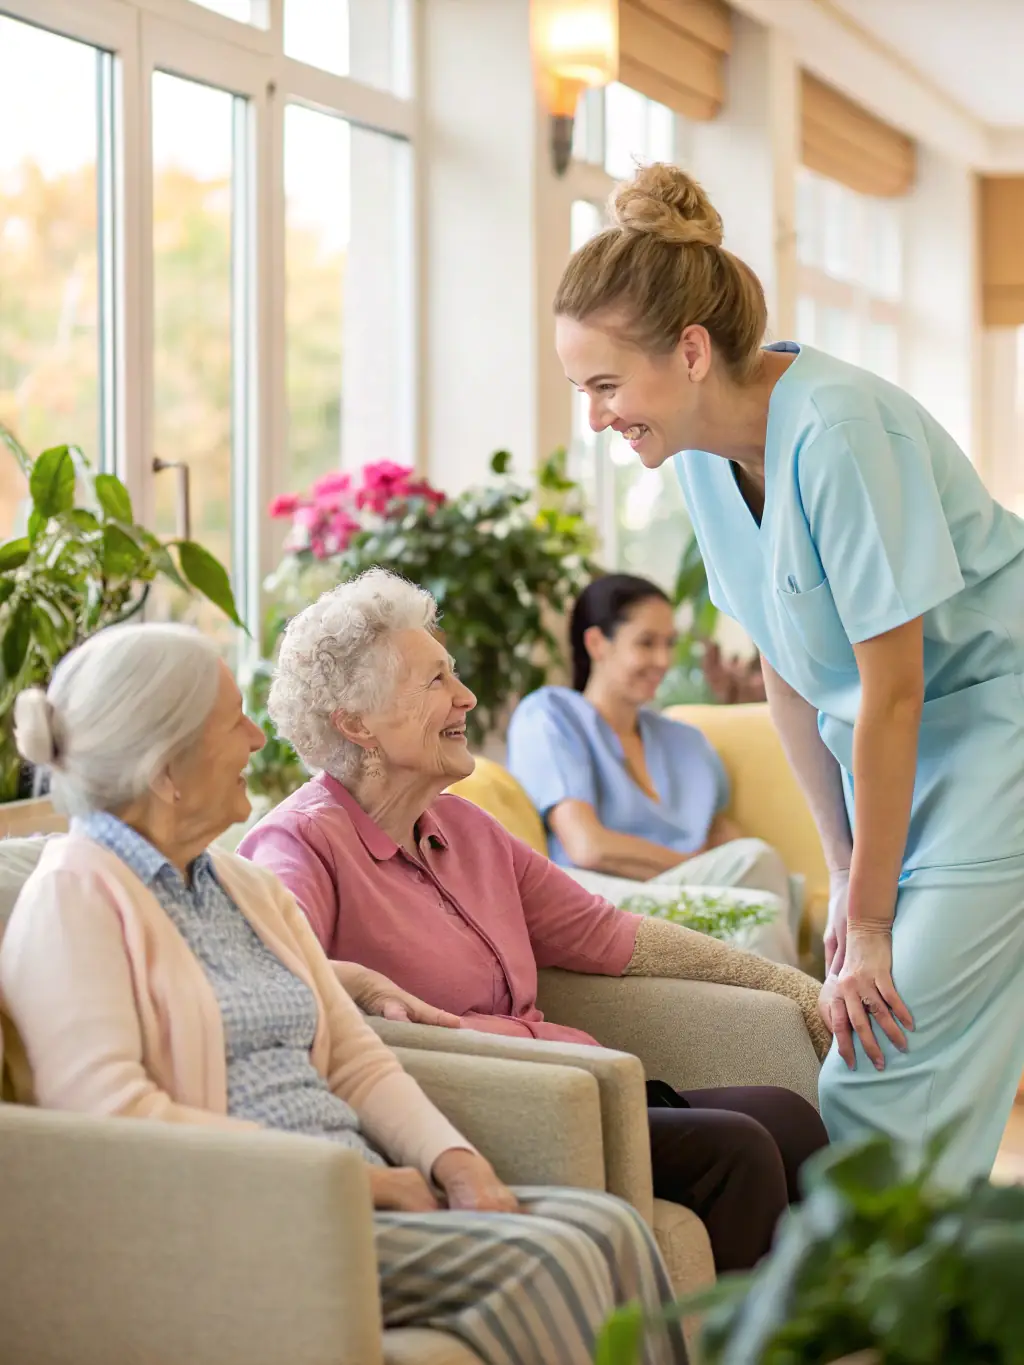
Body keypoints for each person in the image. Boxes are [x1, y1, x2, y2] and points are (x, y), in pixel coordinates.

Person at [0, 623, 687, 1365]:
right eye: (234, 720)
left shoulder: (243, 884)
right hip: (245, 1214)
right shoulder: (74, 894)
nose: (259, 739)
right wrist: (352, 1180)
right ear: (167, 765)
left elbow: (356, 1057)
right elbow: (110, 1115)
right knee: (549, 1262)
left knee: (612, 1229)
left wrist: (457, 1161)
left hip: (342, 1189)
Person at [552, 161, 1024, 1184]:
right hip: (902, 750)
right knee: (885, 1041)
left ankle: (873, 1317)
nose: (595, 417)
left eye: (603, 387)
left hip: (998, 729)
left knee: (882, 1049)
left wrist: (868, 921)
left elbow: (891, 689)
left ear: (687, 352)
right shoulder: (705, 460)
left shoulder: (838, 429)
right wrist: (839, 879)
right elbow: (788, 669)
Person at [238, 569, 831, 1274]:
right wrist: (360, 984)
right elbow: (269, 979)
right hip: (488, 1105)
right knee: (738, 1149)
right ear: (356, 721)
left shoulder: (463, 826)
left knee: (788, 1113)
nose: (466, 697)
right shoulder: (300, 842)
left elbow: (614, 935)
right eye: (435, 682)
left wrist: (789, 986)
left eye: (453, 673)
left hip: (579, 1078)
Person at [506, 573, 800, 964]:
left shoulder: (685, 741)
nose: (663, 661)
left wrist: (726, 865)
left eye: (669, 645)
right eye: (646, 643)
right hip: (597, 897)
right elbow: (588, 846)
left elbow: (724, 834)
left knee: (769, 891)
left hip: (681, 894)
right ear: (596, 643)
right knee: (755, 868)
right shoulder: (550, 715)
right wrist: (710, 869)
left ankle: (777, 1010)